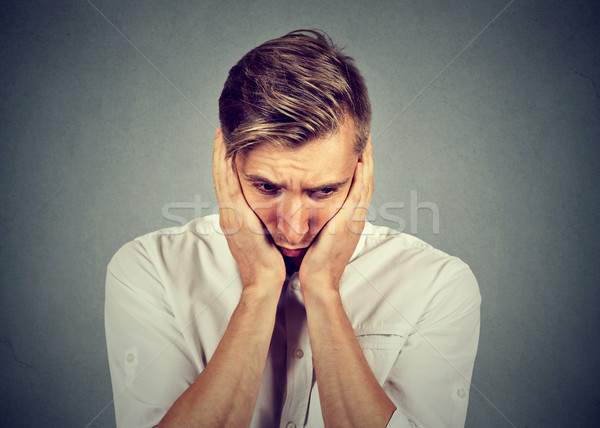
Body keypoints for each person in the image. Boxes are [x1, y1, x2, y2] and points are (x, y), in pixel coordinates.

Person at [105, 30, 481, 427]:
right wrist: (259, 288)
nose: (294, 229)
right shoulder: (148, 270)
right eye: (267, 187)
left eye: (323, 191)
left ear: (361, 170)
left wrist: (322, 289)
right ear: (226, 164)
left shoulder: (439, 284)